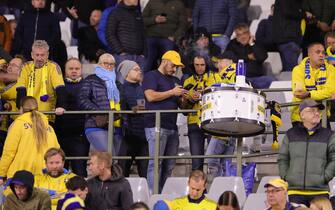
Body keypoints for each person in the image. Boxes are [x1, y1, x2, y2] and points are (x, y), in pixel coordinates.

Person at [142, 50, 187, 193]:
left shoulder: (176, 80)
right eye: (173, 66)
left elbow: (182, 106)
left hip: (172, 127)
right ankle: (152, 194)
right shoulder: (151, 75)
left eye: (177, 67)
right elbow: (150, 96)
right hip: (155, 125)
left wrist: (186, 97)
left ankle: (162, 194)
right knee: (156, 163)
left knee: (169, 165)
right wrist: (172, 93)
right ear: (164, 61)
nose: (175, 69)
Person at [278, 99, 335, 207]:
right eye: (312, 110)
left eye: (318, 110)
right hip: (295, 192)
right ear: (302, 115)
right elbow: (283, 158)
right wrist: (286, 176)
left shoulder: (329, 135)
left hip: (320, 191)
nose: (317, 113)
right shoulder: (291, 134)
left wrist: (324, 177)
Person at [0, 96, 59, 185]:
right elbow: (56, 151)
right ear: (37, 108)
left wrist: (1, 173)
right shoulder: (49, 127)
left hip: (20, 175)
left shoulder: (17, 125)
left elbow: (9, 152)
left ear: (21, 109)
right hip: (44, 175)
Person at [79, 53, 122, 154]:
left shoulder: (117, 83)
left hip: (117, 126)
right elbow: (82, 100)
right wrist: (100, 112)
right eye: (105, 63)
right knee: (110, 157)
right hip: (96, 124)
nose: (109, 66)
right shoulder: (90, 80)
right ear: (99, 64)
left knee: (116, 160)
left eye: (112, 64)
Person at [183, 55, 220, 171]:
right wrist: (189, 99)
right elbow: (184, 110)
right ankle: (198, 188)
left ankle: (215, 188)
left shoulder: (216, 78)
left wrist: (207, 93)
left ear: (207, 65)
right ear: (193, 65)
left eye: (202, 65)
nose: (199, 68)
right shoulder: (187, 82)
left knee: (213, 162)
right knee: (196, 163)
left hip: (212, 121)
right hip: (194, 123)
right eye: (197, 65)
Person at [15, 40, 66, 123]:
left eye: (42, 55)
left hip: (46, 115)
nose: (39, 58)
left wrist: (61, 106)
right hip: (27, 115)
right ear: (32, 55)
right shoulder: (24, 67)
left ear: (47, 55)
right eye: (37, 55)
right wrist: (21, 107)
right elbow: (21, 90)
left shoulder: (53, 67)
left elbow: (60, 89)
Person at [55, 58, 89, 177]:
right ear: (65, 70)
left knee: (79, 170)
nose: (74, 71)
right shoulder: (58, 85)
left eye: (77, 68)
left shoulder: (87, 85)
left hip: (80, 136)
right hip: (60, 134)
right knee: (59, 171)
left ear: (81, 70)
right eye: (71, 68)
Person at [117, 60, 148, 177]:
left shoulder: (142, 88)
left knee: (145, 174)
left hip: (143, 137)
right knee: (122, 174)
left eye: (139, 69)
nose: (139, 71)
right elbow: (132, 107)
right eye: (135, 69)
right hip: (128, 136)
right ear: (126, 73)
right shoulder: (122, 89)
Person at [291, 42, 335, 124]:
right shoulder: (298, 70)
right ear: (309, 54)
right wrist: (321, 95)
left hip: (322, 116)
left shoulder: (331, 69)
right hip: (300, 117)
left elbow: (330, 92)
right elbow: (299, 93)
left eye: (323, 53)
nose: (321, 55)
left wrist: (309, 94)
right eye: (318, 52)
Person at [142, 0, 187, 72]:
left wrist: (174, 37)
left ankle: (165, 82)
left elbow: (183, 24)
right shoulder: (152, 2)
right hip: (151, 37)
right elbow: (142, 20)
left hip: (168, 39)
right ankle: (144, 81)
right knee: (147, 64)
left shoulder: (178, 4)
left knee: (167, 64)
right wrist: (154, 20)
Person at [226, 23, 274, 89]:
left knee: (272, 81)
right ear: (236, 37)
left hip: (256, 78)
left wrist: (252, 44)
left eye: (244, 33)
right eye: (239, 35)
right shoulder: (232, 45)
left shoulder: (256, 43)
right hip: (238, 79)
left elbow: (262, 57)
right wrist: (248, 57)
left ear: (249, 33)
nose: (242, 37)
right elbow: (228, 60)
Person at [105, 0, 146, 70]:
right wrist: (120, 52)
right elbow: (110, 34)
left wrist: (143, 53)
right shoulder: (115, 13)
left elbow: (143, 34)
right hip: (123, 57)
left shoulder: (137, 14)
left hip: (139, 57)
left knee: (139, 80)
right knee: (122, 80)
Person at [272, 0, 303, 72]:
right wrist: (304, 14)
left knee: (289, 72)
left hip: (288, 39)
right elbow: (288, 12)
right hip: (288, 39)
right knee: (292, 73)